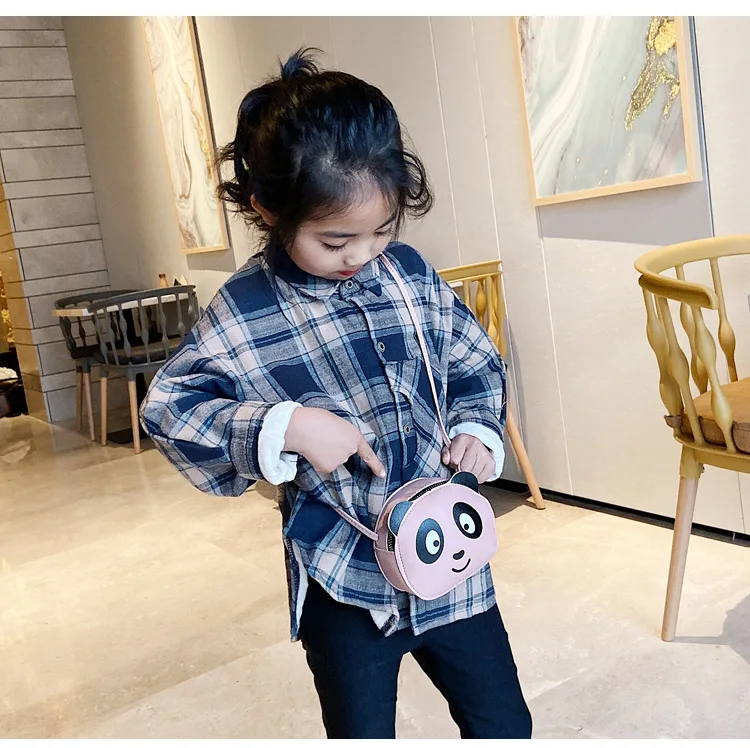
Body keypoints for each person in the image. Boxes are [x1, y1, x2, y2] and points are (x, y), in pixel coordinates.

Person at [140, 48, 532, 740]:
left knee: (503, 724)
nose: (361, 255)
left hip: (451, 561)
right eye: (335, 239)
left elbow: (473, 359)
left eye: (382, 230)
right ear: (268, 210)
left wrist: (477, 427)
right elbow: (170, 410)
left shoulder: (408, 273)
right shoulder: (243, 310)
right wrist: (285, 425)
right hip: (344, 580)